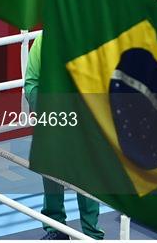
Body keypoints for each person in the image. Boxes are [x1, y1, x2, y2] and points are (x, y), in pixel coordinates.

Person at [25, 33, 104, 240]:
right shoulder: (43, 40)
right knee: (51, 176)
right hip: (53, 119)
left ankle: (92, 234)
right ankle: (55, 229)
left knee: (87, 178)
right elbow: (31, 82)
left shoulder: (89, 36)